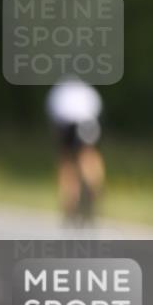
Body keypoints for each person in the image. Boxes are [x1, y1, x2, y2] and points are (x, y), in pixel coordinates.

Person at [45, 77, 105, 225]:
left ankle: (70, 203)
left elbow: (54, 115)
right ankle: (94, 190)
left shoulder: (59, 90)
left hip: (67, 124)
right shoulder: (86, 90)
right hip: (87, 123)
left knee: (67, 162)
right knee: (88, 156)